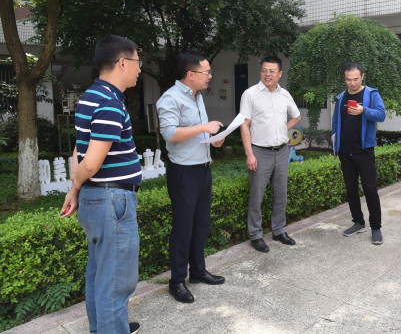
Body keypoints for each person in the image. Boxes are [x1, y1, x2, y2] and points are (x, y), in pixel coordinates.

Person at [60, 35, 143, 334]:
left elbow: (79, 150)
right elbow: (92, 162)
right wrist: (76, 186)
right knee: (116, 283)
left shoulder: (90, 96)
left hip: (95, 199)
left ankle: (103, 328)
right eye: (137, 62)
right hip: (113, 201)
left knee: (100, 274)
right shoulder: (109, 103)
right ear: (122, 62)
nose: (139, 69)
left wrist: (75, 188)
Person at [157, 51, 226, 304]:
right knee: (183, 228)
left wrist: (213, 139)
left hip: (203, 168)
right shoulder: (170, 98)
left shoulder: (197, 96)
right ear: (190, 74)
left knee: (200, 224)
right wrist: (204, 128)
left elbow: (196, 133)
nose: (210, 76)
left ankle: (197, 271)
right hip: (184, 172)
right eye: (206, 72)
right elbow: (170, 133)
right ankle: (176, 282)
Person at [239, 56, 301, 253]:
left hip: (282, 151)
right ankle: (256, 235)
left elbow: (296, 116)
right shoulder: (250, 94)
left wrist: (281, 129)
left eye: (272, 71)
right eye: (264, 70)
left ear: (280, 73)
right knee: (257, 196)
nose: (268, 74)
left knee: (281, 194)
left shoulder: (285, 94)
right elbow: (244, 125)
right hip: (260, 152)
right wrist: (249, 154)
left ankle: (278, 230)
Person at [331, 62, 386, 245]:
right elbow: (335, 123)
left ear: (362, 76)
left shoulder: (371, 94)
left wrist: (363, 110)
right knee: (351, 189)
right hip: (345, 151)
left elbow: (381, 115)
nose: (352, 83)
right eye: (348, 79)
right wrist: (336, 146)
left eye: (356, 79)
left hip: (364, 150)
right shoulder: (341, 97)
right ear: (344, 78)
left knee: (370, 189)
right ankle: (358, 222)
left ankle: (376, 227)